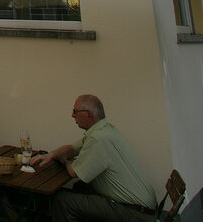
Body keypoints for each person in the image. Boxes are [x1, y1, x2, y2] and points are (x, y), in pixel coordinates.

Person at [32, 94, 157, 222]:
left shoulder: (99, 139)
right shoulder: (105, 130)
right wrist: (51, 155)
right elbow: (72, 148)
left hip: (133, 212)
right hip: (142, 207)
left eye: (75, 111)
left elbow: (73, 172)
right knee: (80, 187)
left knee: (63, 201)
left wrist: (66, 161)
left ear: (88, 115)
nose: (72, 115)